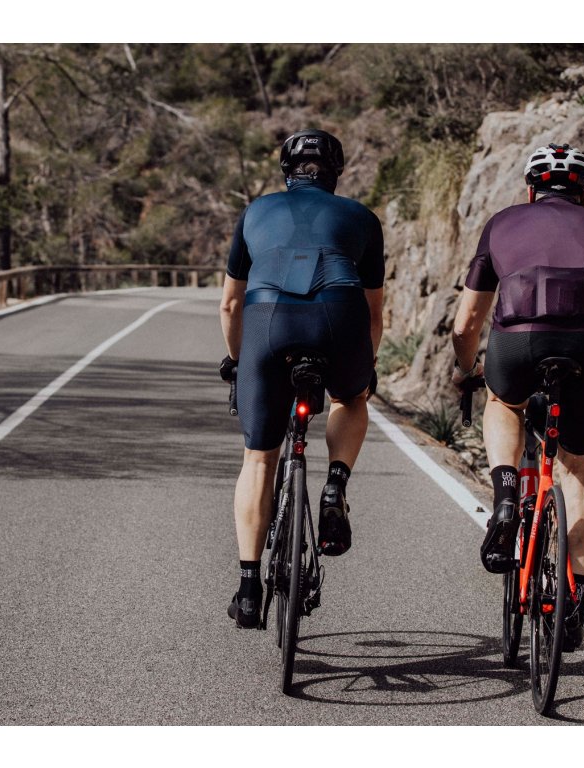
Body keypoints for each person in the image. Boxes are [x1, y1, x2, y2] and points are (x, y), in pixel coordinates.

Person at [451, 143, 584, 650]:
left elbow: (466, 324)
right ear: (583, 194)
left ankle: (506, 495)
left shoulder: (502, 223)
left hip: (520, 336)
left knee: (503, 403)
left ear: (531, 191)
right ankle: (574, 602)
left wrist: (466, 370)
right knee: (578, 463)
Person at [219, 129, 384, 628]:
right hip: (340, 315)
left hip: (268, 319)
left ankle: (249, 587)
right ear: (337, 172)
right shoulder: (361, 217)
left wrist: (238, 361)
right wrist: (364, 368)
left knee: (258, 457)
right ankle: (335, 484)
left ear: (286, 171)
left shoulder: (255, 211)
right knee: (351, 399)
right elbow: (374, 313)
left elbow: (229, 305)